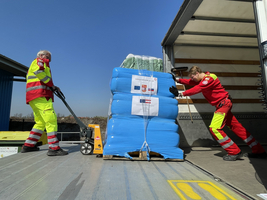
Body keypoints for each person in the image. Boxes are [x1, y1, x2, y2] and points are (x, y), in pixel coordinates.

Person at [169, 66, 267, 161]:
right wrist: (178, 80)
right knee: (238, 128)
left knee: (214, 128)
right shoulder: (202, 80)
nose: (192, 79)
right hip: (224, 104)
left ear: (197, 73)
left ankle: (234, 152)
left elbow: (198, 88)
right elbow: (191, 82)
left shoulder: (210, 78)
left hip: (223, 105)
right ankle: (258, 150)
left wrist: (181, 94)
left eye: (192, 76)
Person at [21, 50, 68, 156]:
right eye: (48, 57)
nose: (49, 59)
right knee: (51, 120)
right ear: (42, 55)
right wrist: (51, 85)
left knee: (40, 122)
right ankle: (54, 148)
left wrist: (53, 86)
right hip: (40, 95)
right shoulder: (39, 61)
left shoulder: (37, 63)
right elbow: (39, 72)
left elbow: (40, 77)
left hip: (34, 97)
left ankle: (29, 145)